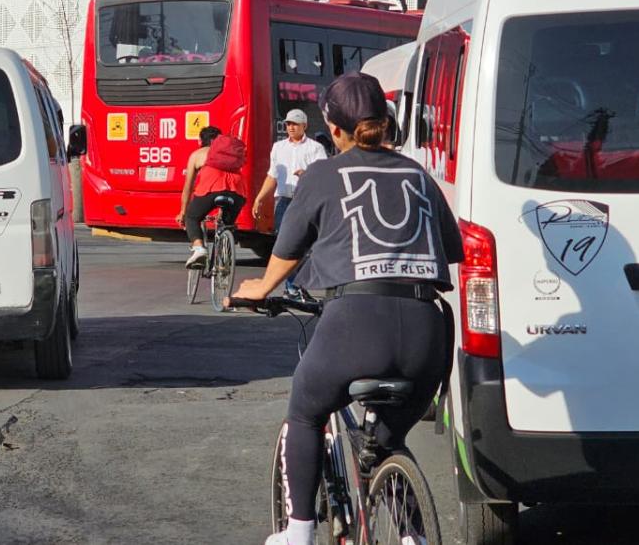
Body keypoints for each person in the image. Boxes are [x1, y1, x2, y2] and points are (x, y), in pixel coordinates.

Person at [231, 73, 463, 545]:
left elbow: (289, 247)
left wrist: (262, 287)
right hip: (426, 331)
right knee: (389, 439)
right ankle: (409, 533)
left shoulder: (323, 173)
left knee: (305, 413)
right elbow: (451, 249)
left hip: (355, 324)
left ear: (332, 129)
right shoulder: (417, 174)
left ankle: (298, 533)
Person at [251, 109, 327, 296]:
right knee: (285, 244)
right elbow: (272, 175)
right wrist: (260, 198)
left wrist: (306, 174)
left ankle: (298, 285)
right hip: (284, 201)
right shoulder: (278, 147)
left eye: (295, 124)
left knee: (307, 246)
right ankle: (292, 287)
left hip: (306, 200)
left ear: (304, 126)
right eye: (288, 124)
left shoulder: (315, 148)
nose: (291, 127)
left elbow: (323, 174)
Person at [176, 126, 247, 268]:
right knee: (227, 224)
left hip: (211, 186)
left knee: (192, 217)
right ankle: (224, 260)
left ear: (200, 141)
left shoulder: (197, 154)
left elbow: (188, 187)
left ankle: (199, 249)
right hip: (237, 190)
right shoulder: (229, 154)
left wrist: (183, 211)